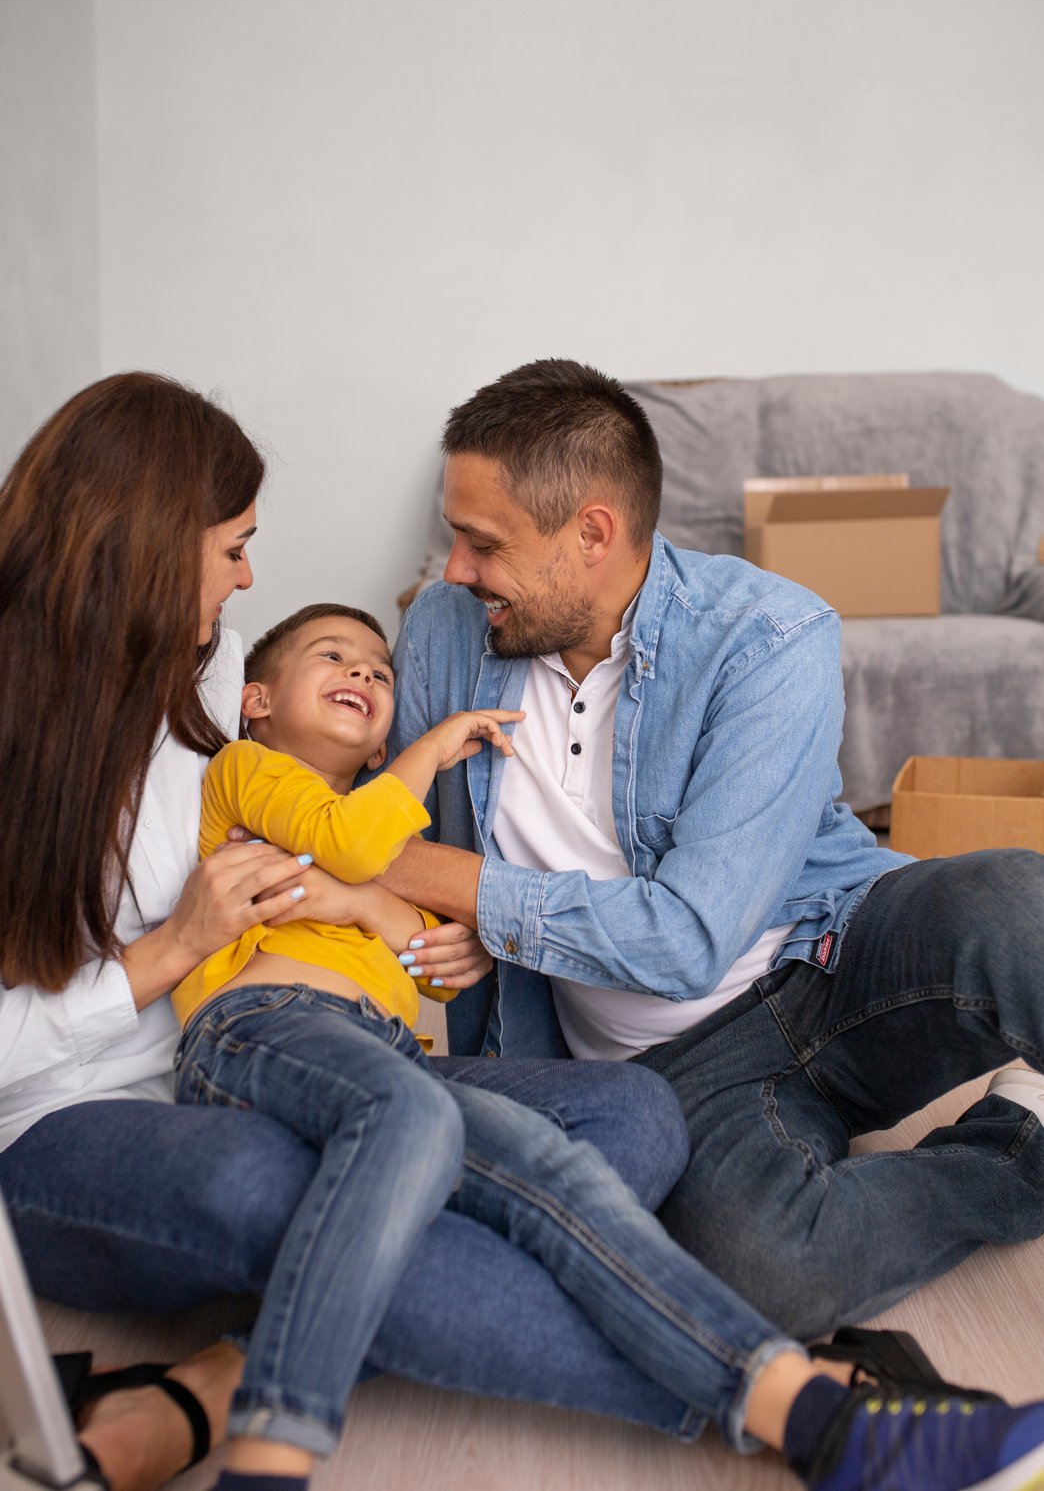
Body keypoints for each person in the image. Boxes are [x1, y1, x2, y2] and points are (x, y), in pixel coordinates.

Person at [0, 372, 707, 1491]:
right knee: (276, 1184)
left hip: (280, 1062)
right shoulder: (19, 736)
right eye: (230, 546)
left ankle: (227, 1382)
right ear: (138, 542)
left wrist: (400, 912)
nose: (247, 575)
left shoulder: (216, 677)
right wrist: (169, 951)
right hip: (65, 1125)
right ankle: (797, 1406)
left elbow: (332, 842)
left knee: (628, 1111)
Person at [170, 599, 1044, 1491]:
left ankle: (829, 1414)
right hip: (259, 1025)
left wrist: (393, 912)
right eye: (333, 658)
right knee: (437, 1129)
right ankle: (821, 1415)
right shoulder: (256, 774)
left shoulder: (383, 819)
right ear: (255, 702)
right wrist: (426, 759)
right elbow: (353, 852)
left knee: (539, 1161)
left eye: (379, 671)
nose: (364, 674)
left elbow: (419, 951)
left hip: (376, 1040)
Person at [381, 357, 1044, 1347]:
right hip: (669, 1073)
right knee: (768, 1272)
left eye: (482, 544)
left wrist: (446, 882)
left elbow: (687, 938)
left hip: (834, 964)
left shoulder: (766, 637)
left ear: (593, 535)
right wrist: (449, 914)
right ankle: (1020, 1142)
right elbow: (394, 831)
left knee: (1019, 909)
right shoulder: (444, 631)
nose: (452, 571)